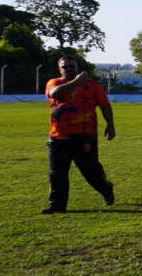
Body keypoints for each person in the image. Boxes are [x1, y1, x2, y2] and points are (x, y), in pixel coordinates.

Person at [42, 55, 116, 215]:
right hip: (58, 137)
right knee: (57, 173)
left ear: (77, 68)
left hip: (85, 136)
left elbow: (104, 105)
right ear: (59, 69)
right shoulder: (54, 83)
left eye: (72, 67)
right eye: (65, 67)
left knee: (91, 171)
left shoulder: (92, 85)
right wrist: (76, 82)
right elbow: (55, 94)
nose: (69, 69)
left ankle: (106, 188)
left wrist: (110, 125)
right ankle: (57, 205)